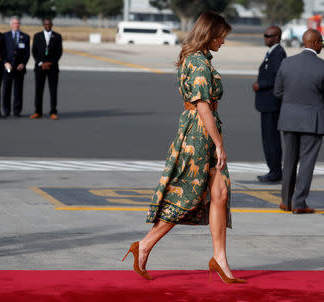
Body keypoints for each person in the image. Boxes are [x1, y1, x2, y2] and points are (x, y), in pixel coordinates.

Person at [122, 11, 245, 284]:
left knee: (220, 194)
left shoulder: (197, 59)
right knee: (185, 197)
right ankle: (143, 245)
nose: (223, 42)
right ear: (210, 34)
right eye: (221, 36)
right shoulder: (199, 63)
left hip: (203, 129)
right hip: (200, 134)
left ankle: (220, 260)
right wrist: (219, 143)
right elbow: (202, 106)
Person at [274, 29, 324, 213]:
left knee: (289, 161)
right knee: (306, 162)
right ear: (316, 43)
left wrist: (292, 102)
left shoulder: (287, 63)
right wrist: (316, 104)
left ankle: (286, 201)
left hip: (289, 118)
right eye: (321, 42)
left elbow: (277, 92)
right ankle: (299, 203)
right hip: (313, 120)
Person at [252, 26, 286, 183]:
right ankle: (273, 169)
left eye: (268, 35)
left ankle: (275, 171)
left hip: (271, 103)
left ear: (277, 37)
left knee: (271, 139)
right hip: (266, 103)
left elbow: (278, 77)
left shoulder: (278, 53)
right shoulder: (272, 52)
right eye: (264, 35)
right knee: (268, 138)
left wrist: (261, 84)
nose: (265, 38)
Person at [30, 18, 63, 120]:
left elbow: (59, 52)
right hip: (40, 67)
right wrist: (40, 63)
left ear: (52, 25)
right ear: (43, 25)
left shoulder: (57, 36)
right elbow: (34, 51)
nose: (47, 26)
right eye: (45, 24)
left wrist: (51, 63)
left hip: (52, 68)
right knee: (39, 90)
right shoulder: (37, 36)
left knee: (53, 90)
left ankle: (53, 111)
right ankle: (38, 111)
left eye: (49, 24)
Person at [2, 16, 30, 117]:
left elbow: (27, 53)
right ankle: (6, 110)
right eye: (14, 23)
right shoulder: (5, 36)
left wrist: (23, 63)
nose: (16, 25)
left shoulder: (25, 37)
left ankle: (17, 110)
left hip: (19, 68)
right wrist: (5, 62)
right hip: (8, 67)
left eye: (17, 23)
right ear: (10, 25)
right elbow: (2, 52)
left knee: (18, 90)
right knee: (6, 89)